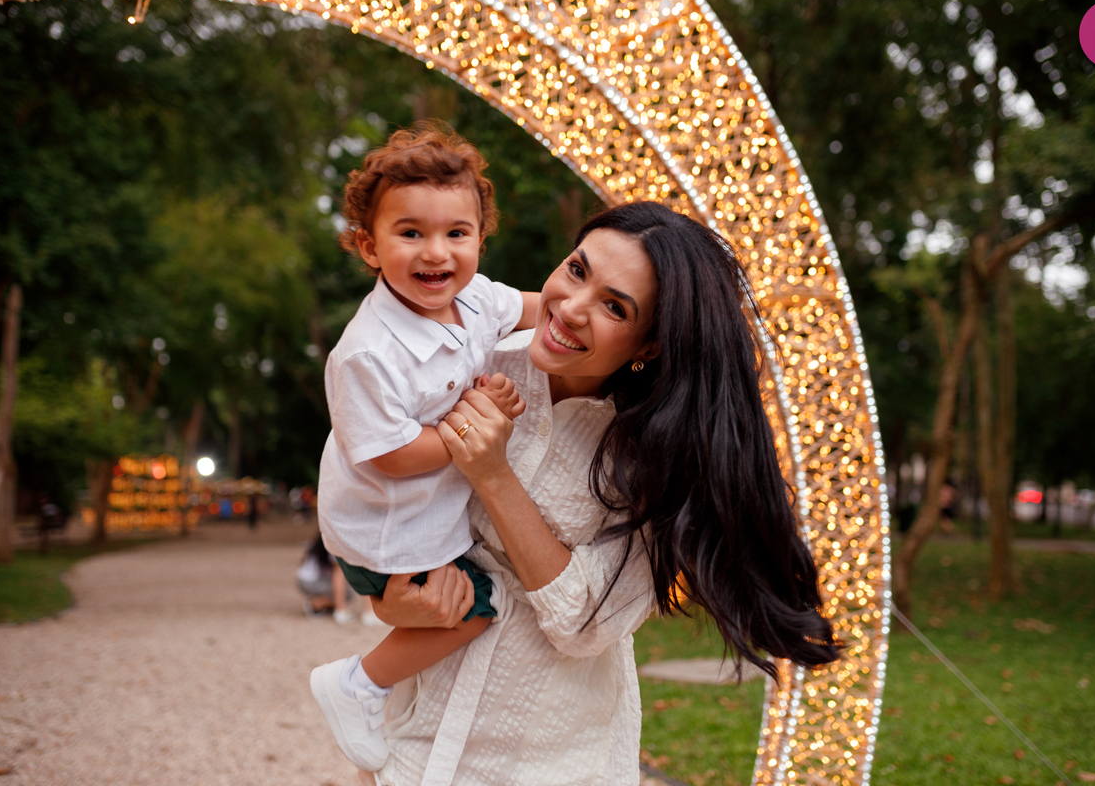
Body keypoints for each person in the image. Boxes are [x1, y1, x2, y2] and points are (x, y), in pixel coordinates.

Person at [357, 201, 840, 786]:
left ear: (650, 345)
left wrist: (493, 475)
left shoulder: (653, 456)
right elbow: (378, 505)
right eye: (577, 270)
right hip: (413, 740)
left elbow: (585, 622)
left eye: (615, 307)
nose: (570, 308)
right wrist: (388, 597)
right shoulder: (467, 362)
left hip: (549, 758)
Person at [310, 126, 540, 772]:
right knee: (477, 606)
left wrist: (583, 308)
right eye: (410, 233)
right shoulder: (365, 353)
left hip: (425, 517)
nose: (436, 253)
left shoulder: (471, 300)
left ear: (479, 238)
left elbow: (530, 307)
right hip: (383, 529)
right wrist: (472, 428)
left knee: (464, 599)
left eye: (456, 234)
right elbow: (388, 455)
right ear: (368, 246)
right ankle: (359, 681)